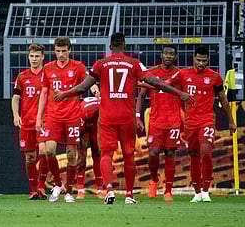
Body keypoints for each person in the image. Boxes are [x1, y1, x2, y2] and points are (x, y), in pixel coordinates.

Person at [54, 32, 192, 205]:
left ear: (110, 47)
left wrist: (64, 94)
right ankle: (128, 195)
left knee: (105, 154)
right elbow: (156, 82)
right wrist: (180, 93)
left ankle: (109, 190)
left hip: (107, 116)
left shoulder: (101, 64)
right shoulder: (134, 64)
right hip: (127, 116)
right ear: (124, 46)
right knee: (128, 155)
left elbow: (83, 87)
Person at [168, 46, 236, 203]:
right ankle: (197, 192)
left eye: (204, 61)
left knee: (206, 151)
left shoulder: (214, 77)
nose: (201, 63)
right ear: (193, 59)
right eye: (198, 60)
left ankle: (206, 190)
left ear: (208, 61)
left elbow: (223, 100)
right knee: (193, 156)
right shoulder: (183, 74)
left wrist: (231, 121)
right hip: (190, 122)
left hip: (206, 120)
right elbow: (167, 84)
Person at [35, 36, 87, 203]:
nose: (61, 54)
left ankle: (69, 191)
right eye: (58, 51)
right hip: (53, 116)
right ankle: (58, 184)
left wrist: (94, 88)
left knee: (72, 155)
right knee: (49, 150)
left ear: (69, 50)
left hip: (72, 115)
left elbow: (86, 82)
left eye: (64, 51)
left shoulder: (78, 67)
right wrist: (39, 117)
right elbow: (44, 93)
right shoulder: (48, 68)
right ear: (54, 51)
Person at [136, 45, 182, 202]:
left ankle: (168, 190)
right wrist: (137, 115)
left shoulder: (179, 74)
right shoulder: (152, 72)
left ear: (175, 57)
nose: (169, 56)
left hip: (174, 121)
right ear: (161, 55)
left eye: (172, 54)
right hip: (156, 121)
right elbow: (141, 95)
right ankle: (154, 179)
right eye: (166, 53)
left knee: (170, 154)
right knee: (153, 154)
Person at [12, 43, 48, 200]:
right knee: (30, 158)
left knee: (44, 152)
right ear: (28, 56)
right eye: (32, 56)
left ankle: (41, 186)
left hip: (44, 121)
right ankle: (33, 189)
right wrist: (15, 114)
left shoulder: (48, 74)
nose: (34, 59)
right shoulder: (22, 76)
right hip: (26, 122)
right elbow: (15, 97)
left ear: (42, 57)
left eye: (37, 56)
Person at [76, 93, 103, 200]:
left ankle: (100, 188)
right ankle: (80, 189)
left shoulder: (106, 111)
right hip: (85, 121)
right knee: (82, 157)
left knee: (97, 153)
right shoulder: (84, 113)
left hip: (97, 122)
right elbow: (80, 130)